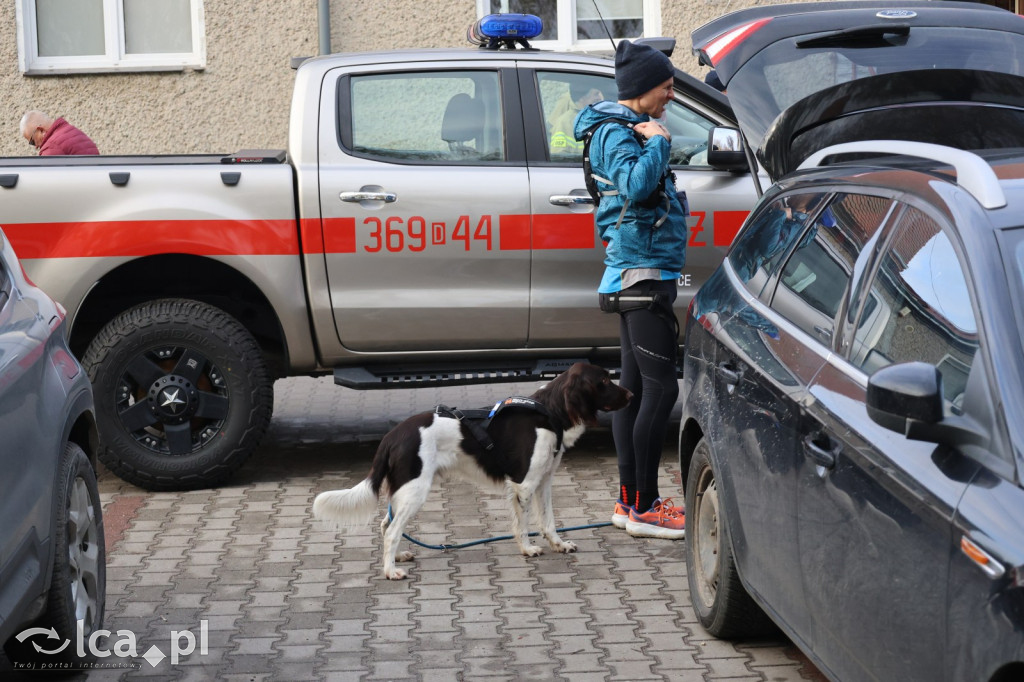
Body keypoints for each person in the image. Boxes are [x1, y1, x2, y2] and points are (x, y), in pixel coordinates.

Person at [572, 40, 688, 540]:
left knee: (633, 392)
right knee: (662, 389)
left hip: (644, 269)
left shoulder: (623, 128)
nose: (671, 96)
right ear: (642, 89)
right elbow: (638, 187)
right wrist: (659, 141)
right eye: (666, 87)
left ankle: (628, 503)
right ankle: (645, 506)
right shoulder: (615, 135)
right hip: (639, 272)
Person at [548, 82, 604, 155]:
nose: (600, 98)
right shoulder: (565, 122)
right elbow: (559, 157)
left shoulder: (600, 118)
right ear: (582, 98)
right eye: (596, 94)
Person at [20, 110, 99, 156]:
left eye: (32, 141)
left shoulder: (51, 147)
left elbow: (45, 181)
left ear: (41, 130)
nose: (36, 147)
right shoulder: (73, 132)